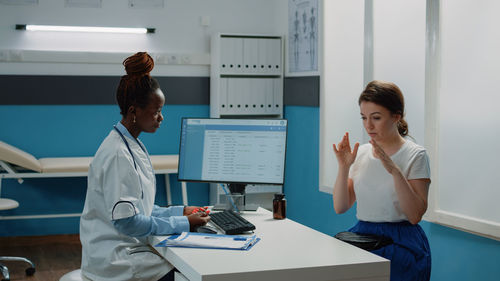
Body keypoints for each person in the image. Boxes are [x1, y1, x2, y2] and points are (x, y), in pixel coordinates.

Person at [80, 52, 210, 281]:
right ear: (134, 111)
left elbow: (138, 208)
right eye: (157, 111)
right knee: (192, 274)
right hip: (117, 261)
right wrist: (183, 223)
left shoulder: (129, 144)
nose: (161, 118)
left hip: (128, 249)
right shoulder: (118, 154)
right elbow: (127, 221)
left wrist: (180, 211)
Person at [332, 80, 431, 281]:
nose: (368, 125)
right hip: (363, 236)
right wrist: (344, 167)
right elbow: (341, 207)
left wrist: (394, 171)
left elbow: (414, 216)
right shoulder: (361, 153)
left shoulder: (415, 155)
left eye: (376, 118)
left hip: (401, 242)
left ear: (396, 116)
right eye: (364, 118)